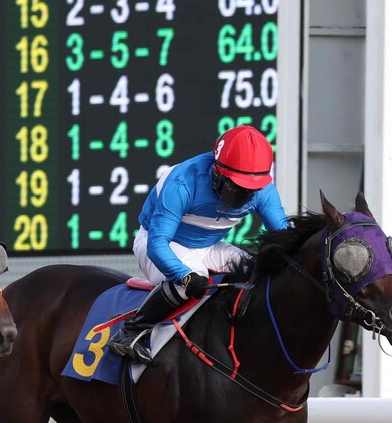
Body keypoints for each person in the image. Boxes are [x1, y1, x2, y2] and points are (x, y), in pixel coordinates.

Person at [108, 125, 290, 364]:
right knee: (194, 277)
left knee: (255, 269)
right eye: (236, 187)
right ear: (216, 171)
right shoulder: (182, 181)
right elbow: (157, 243)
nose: (243, 197)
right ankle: (131, 331)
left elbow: (286, 238)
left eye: (250, 190)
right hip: (158, 243)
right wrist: (184, 276)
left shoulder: (264, 189)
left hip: (211, 246)